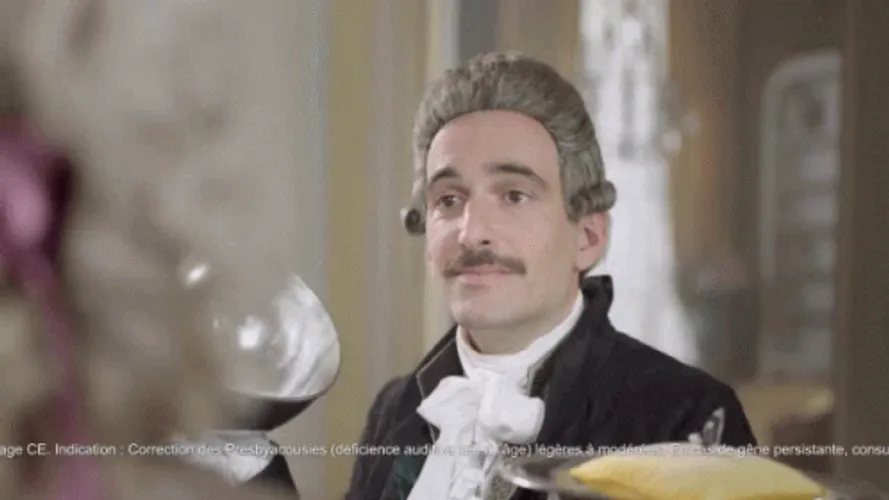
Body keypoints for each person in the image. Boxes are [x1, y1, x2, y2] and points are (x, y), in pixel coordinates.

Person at [345, 51, 757, 500]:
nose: (471, 232)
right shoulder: (395, 410)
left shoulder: (686, 416)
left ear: (588, 237)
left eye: (514, 195)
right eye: (448, 200)